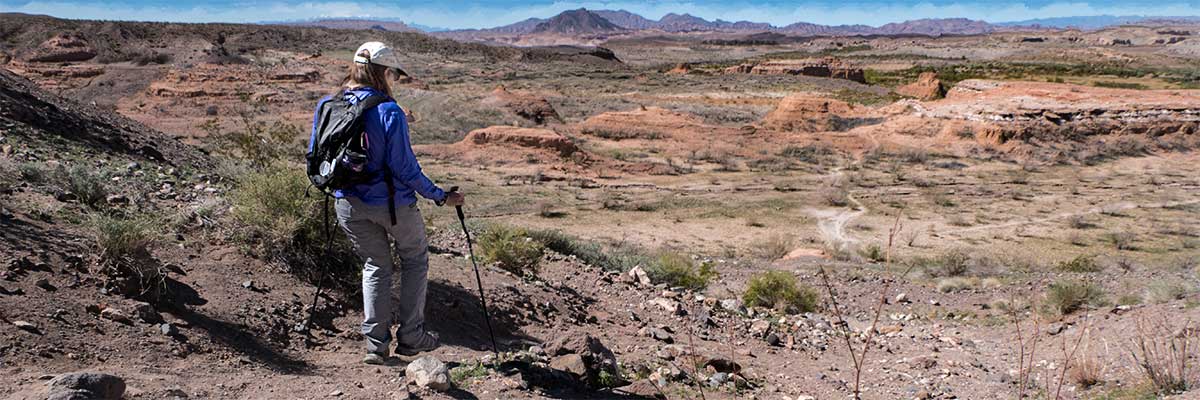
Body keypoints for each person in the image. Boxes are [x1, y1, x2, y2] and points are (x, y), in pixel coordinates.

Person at [309, 41, 464, 365]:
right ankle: (411, 337)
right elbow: (404, 168)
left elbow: (316, 156)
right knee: (415, 259)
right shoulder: (388, 111)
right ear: (384, 72)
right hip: (393, 205)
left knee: (375, 266)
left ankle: (375, 346)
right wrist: (440, 196)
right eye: (391, 73)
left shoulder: (327, 104)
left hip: (347, 204)